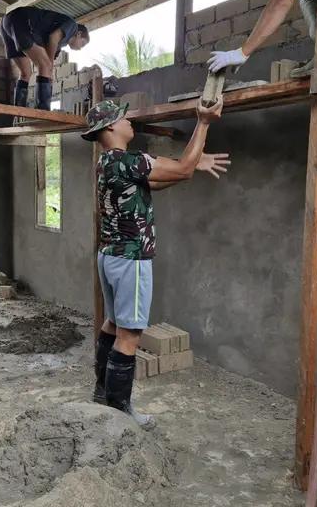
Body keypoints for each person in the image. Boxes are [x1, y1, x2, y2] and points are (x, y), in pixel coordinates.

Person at [81, 99, 230, 429]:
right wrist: (202, 125)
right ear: (109, 128)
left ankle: (102, 393)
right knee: (130, 333)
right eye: (124, 118)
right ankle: (119, 409)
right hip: (131, 258)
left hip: (111, 255)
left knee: (112, 324)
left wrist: (189, 167)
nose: (130, 121)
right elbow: (179, 170)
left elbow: (158, 180)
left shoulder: (108, 163)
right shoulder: (129, 160)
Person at [0, 6, 90, 110]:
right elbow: (53, 37)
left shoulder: (60, 44)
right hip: (21, 19)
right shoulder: (72, 26)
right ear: (79, 34)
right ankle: (43, 111)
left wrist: (48, 73)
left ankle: (18, 112)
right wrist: (49, 67)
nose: (80, 48)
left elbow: (49, 51)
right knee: (46, 65)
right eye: (82, 43)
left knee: (25, 73)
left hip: (6, 23)